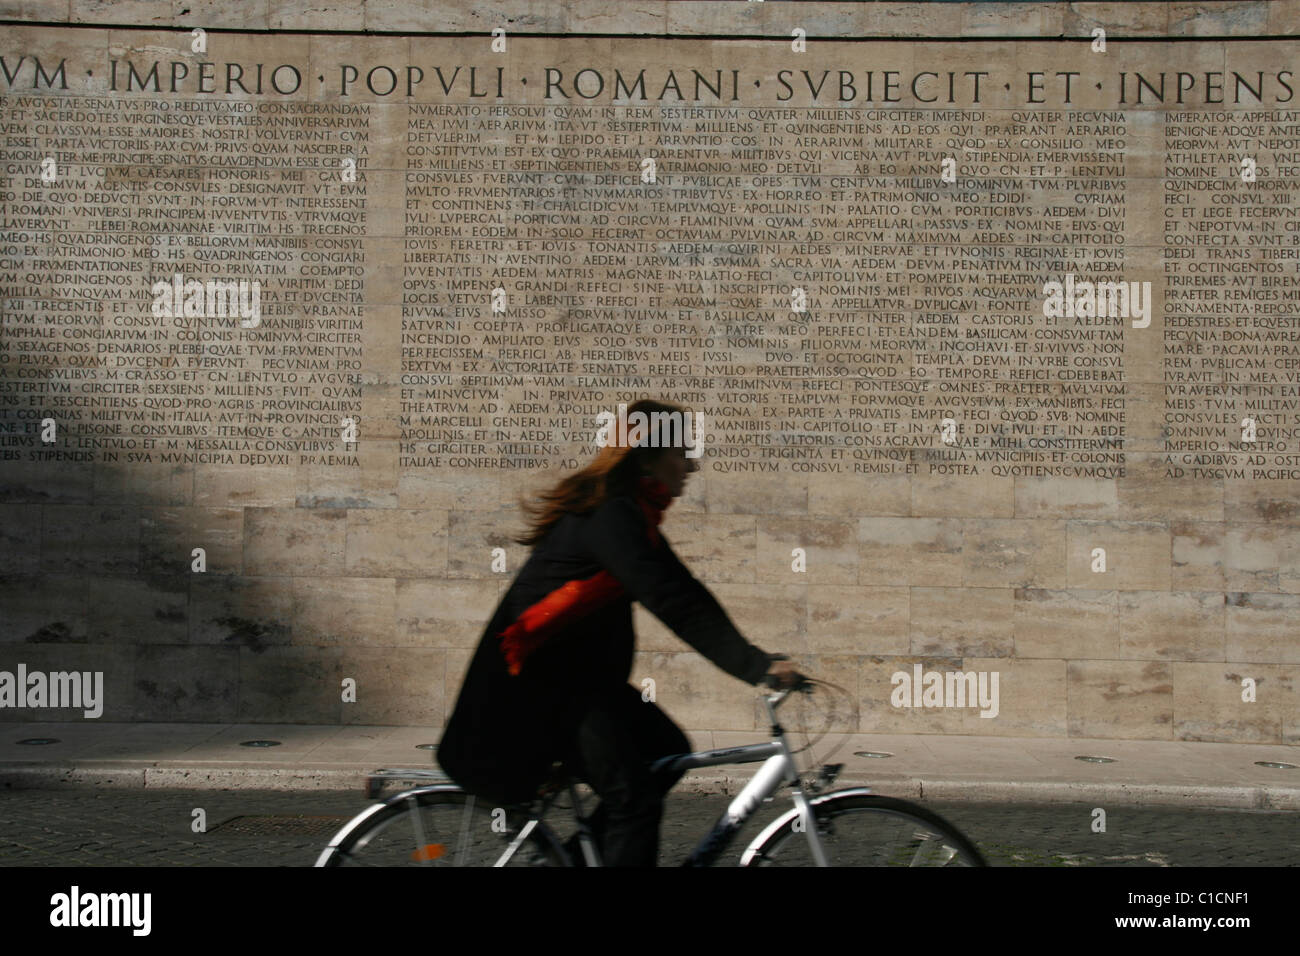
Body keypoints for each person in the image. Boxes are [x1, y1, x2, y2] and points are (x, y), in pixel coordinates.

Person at [437, 398, 803, 866]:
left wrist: (759, 659)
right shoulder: (610, 516)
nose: (691, 465)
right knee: (635, 799)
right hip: (543, 690)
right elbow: (673, 600)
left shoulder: (628, 515)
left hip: (581, 683)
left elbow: (686, 590)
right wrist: (756, 666)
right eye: (682, 452)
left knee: (667, 753)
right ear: (648, 455)